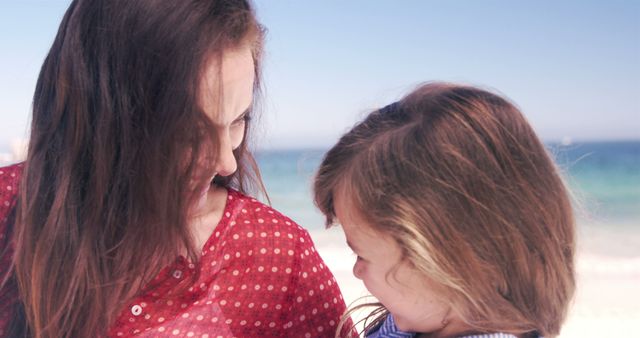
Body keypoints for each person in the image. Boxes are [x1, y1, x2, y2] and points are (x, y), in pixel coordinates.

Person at [0, 1, 349, 337]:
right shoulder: (8, 204)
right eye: (188, 134)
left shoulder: (279, 259)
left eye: (239, 119)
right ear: (101, 118)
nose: (225, 161)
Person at [313, 83, 576, 338]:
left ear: (441, 259)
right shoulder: (416, 319)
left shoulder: (422, 314)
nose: (357, 270)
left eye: (360, 254)